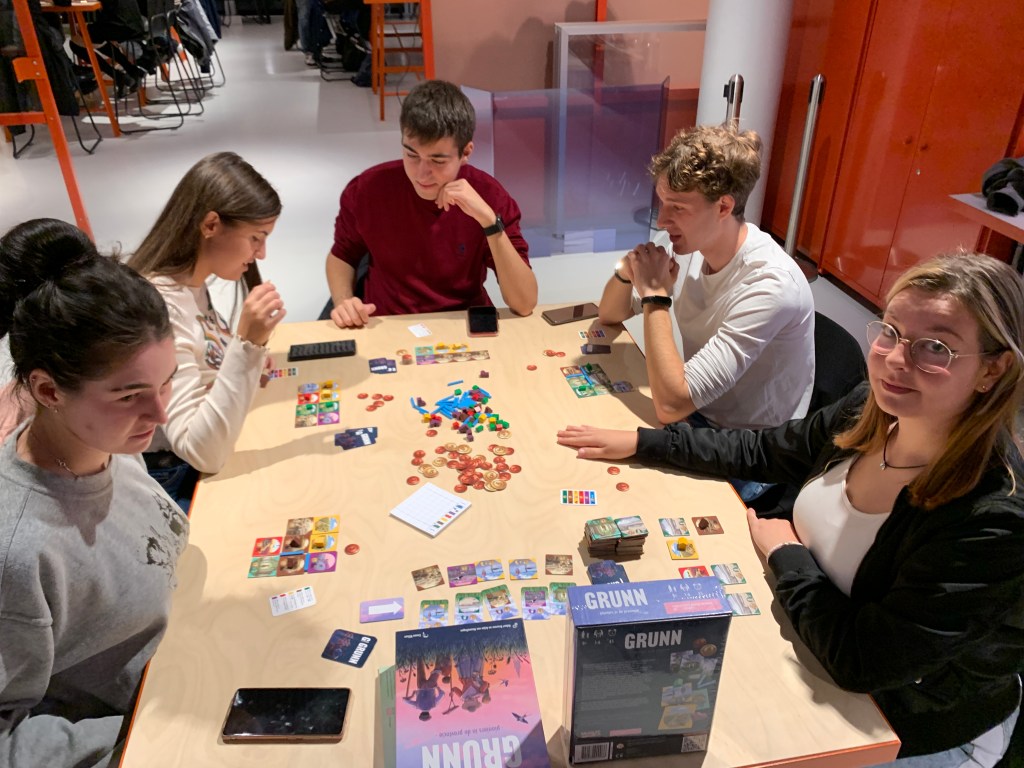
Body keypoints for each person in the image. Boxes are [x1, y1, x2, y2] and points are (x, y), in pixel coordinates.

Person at [558, 252, 1024, 765]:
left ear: (993, 369)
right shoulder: (869, 408)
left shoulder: (994, 518)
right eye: (891, 331)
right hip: (805, 640)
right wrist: (645, 442)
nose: (895, 359)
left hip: (905, 723)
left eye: (935, 347)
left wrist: (788, 557)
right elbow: (763, 451)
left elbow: (863, 661)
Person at [0, 218, 188, 768]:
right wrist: (138, 738)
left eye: (167, 382)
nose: (160, 414)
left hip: (190, 670)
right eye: (130, 395)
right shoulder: (19, 550)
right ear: (48, 390)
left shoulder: (109, 444)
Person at [597, 124, 815, 432]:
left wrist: (655, 296)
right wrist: (627, 270)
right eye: (662, 203)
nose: (662, 220)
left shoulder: (771, 285)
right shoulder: (688, 242)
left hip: (749, 442)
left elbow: (671, 405)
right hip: (697, 414)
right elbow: (609, 314)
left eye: (678, 208)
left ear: (723, 207)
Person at [127, 152, 286, 503]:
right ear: (211, 225)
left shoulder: (191, 285)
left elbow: (203, 362)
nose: (261, 254)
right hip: (174, 478)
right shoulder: (161, 308)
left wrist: (241, 363)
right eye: (256, 238)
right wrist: (247, 347)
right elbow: (202, 452)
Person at [325, 79, 538, 328]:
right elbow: (342, 255)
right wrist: (344, 301)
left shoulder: (490, 196)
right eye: (412, 155)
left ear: (466, 153)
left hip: (462, 322)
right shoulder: (367, 188)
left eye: (438, 161)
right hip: (387, 322)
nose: (421, 174)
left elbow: (524, 303)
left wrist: (490, 223)